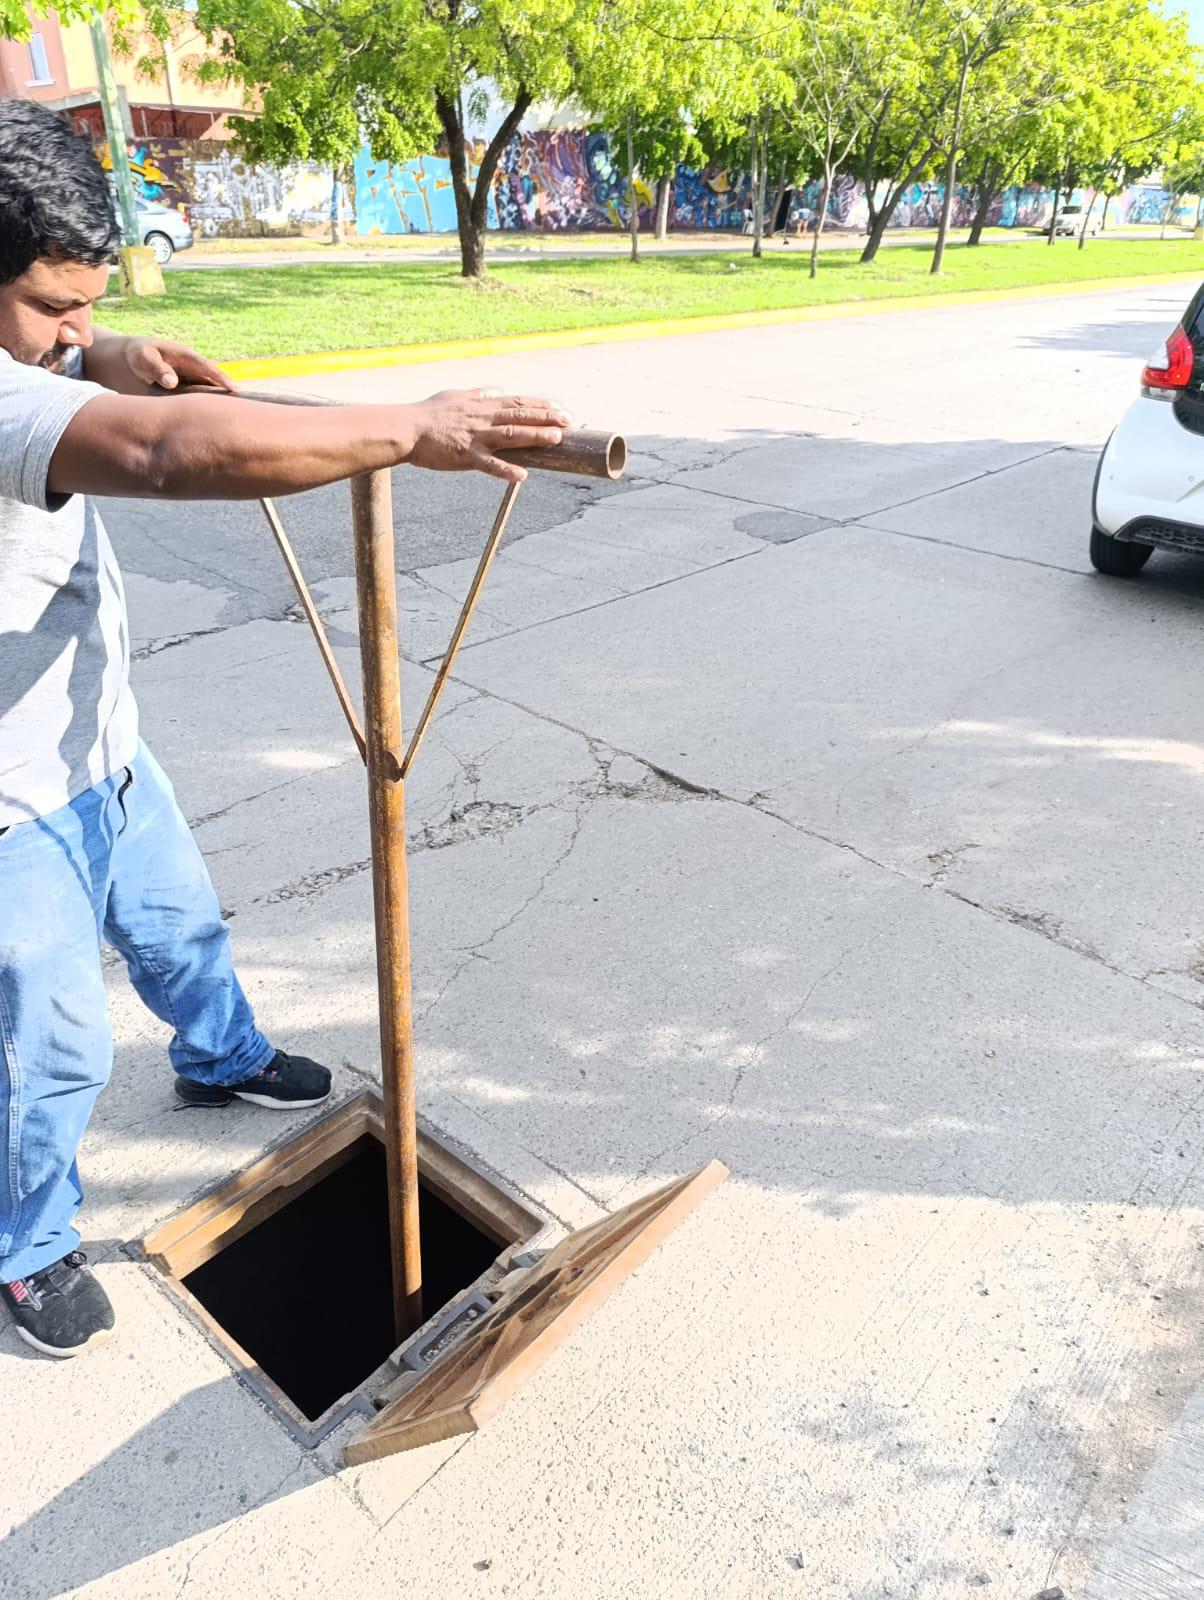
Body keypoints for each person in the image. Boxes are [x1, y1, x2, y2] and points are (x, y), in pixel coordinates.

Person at [0, 101, 568, 1359]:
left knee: (179, 925)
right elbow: (157, 455)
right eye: (54, 308)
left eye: (88, 303)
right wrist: (409, 431)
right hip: (10, 807)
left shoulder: (39, 359)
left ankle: (220, 1057)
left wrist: (100, 349)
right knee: (50, 1051)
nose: (75, 330)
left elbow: (89, 381)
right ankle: (29, 1246)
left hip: (98, 747)